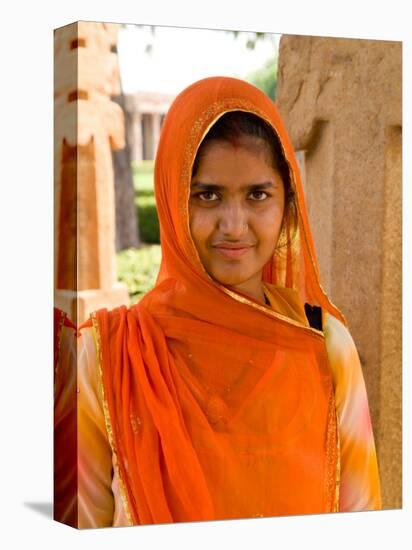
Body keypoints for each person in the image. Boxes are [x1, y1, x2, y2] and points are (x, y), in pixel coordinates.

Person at [76, 76, 381, 528]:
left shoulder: (324, 345)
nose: (234, 226)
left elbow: (361, 521)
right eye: (208, 195)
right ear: (172, 199)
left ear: (288, 204)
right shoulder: (110, 356)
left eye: (258, 195)